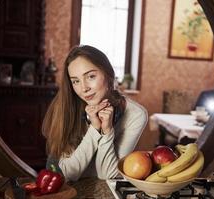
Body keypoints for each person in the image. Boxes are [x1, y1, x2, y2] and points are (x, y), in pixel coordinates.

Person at [42, 45, 148, 181]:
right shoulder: (67, 106)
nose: (84, 88)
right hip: (60, 183)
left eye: (91, 76)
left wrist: (107, 131)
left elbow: (108, 175)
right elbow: (69, 173)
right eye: (75, 81)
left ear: (108, 74)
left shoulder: (135, 114)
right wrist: (95, 128)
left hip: (101, 187)